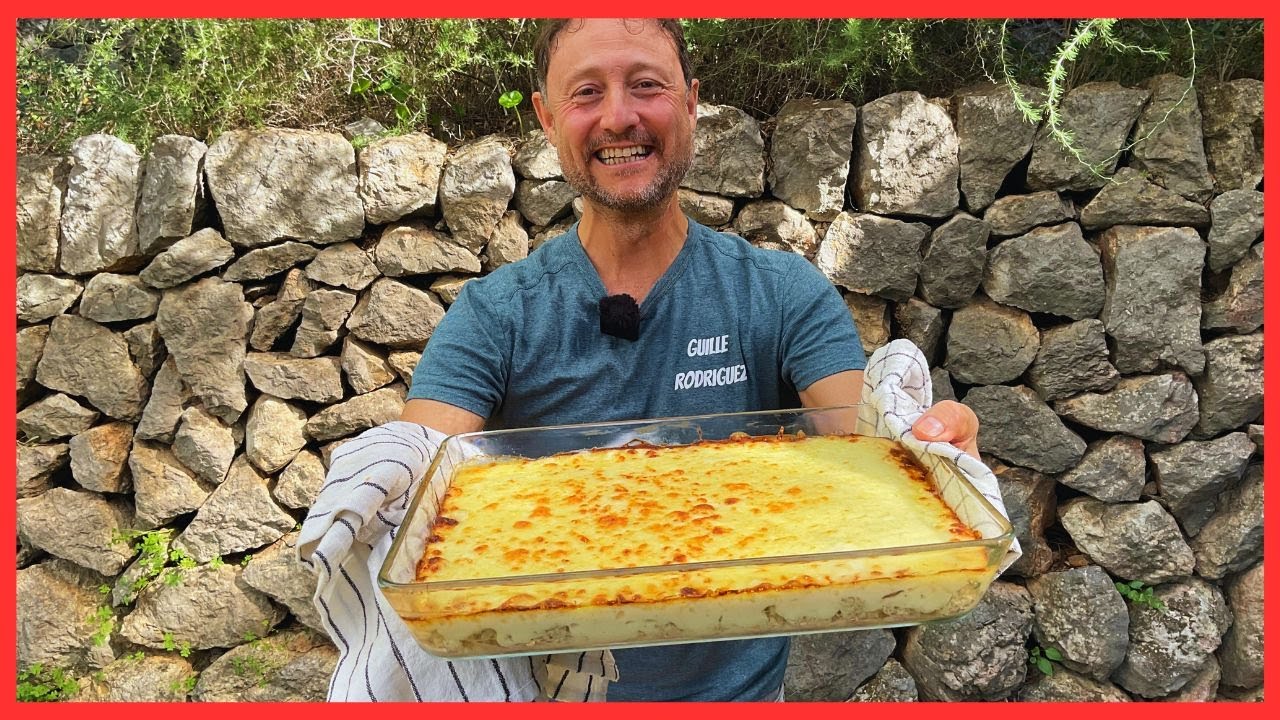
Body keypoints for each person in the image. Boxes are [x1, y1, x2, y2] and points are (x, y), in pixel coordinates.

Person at [312, 17, 983, 702]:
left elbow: (873, 448)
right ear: (547, 118)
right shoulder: (496, 315)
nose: (619, 116)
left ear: (691, 103)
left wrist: (932, 450)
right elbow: (425, 481)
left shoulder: (780, 295)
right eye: (586, 93)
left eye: (646, 85)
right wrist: (383, 478)